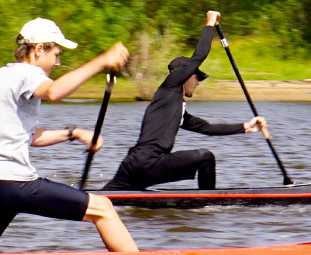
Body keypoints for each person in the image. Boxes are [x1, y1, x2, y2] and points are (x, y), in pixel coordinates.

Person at [0, 18, 137, 254]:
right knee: (103, 208)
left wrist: (72, 133)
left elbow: (29, 136)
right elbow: (54, 92)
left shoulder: (0, 76)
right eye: (56, 54)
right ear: (38, 50)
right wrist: (101, 61)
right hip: (14, 182)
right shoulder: (27, 73)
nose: (57, 63)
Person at [103, 10, 268, 191]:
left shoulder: (176, 107)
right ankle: (208, 204)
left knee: (99, 199)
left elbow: (208, 129)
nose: (197, 83)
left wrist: (247, 127)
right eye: (197, 77)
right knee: (206, 157)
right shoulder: (170, 86)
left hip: (133, 165)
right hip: (147, 161)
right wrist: (210, 23)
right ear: (186, 75)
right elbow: (199, 55)